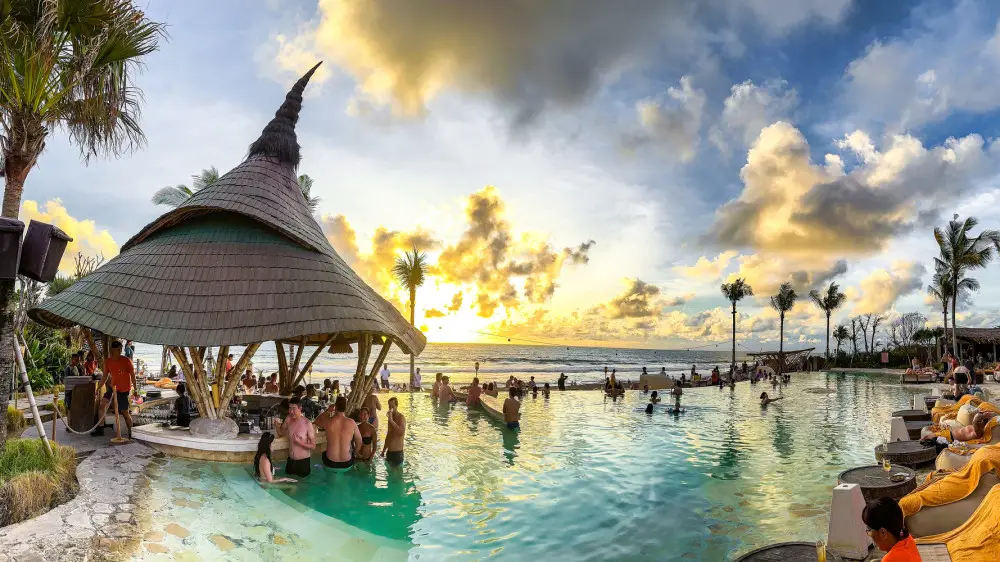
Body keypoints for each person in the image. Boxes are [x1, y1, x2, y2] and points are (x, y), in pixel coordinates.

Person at [94, 341, 137, 438]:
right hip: (112, 389)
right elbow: (104, 376)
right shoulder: (108, 361)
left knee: (125, 412)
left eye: (121, 349)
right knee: (102, 405)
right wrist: (98, 388)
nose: (120, 351)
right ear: (112, 350)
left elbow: (133, 375)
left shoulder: (126, 360)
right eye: (118, 349)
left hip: (123, 390)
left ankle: (132, 434)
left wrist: (135, 389)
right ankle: (100, 429)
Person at [861, 497, 921, 562]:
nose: (870, 535)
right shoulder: (908, 538)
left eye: (869, 530)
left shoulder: (890, 559)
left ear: (883, 533)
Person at [316, 396, 361, 471]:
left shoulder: (328, 421)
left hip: (330, 462)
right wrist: (355, 454)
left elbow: (317, 422)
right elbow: (359, 441)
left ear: (335, 407)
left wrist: (328, 411)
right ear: (345, 408)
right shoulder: (352, 423)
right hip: (347, 463)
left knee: (324, 453)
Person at [276, 397, 315, 477]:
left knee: (303, 484)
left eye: (294, 408)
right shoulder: (288, 419)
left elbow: (313, 446)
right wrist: (277, 426)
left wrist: (300, 443)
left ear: (300, 408)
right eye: (290, 408)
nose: (291, 411)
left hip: (303, 462)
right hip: (290, 461)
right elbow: (281, 434)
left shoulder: (307, 423)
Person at [382, 396, 406, 466]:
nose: (391, 408)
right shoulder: (390, 418)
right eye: (389, 406)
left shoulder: (401, 417)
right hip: (389, 452)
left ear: (396, 406)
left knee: (397, 472)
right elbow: (389, 435)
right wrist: (383, 450)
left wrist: (391, 421)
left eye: (392, 406)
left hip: (398, 453)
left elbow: (401, 432)